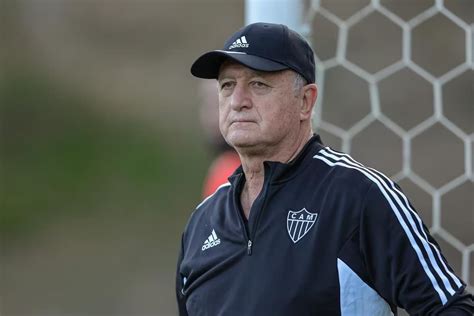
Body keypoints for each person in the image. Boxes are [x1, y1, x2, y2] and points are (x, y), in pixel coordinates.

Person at [176, 22, 473, 315]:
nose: (238, 101)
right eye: (228, 85)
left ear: (306, 101)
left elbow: (453, 308)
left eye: (258, 84)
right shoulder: (201, 223)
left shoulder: (357, 196)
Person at [198, 80, 241, 198]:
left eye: (217, 104)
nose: (210, 117)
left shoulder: (230, 172)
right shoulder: (223, 167)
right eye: (205, 103)